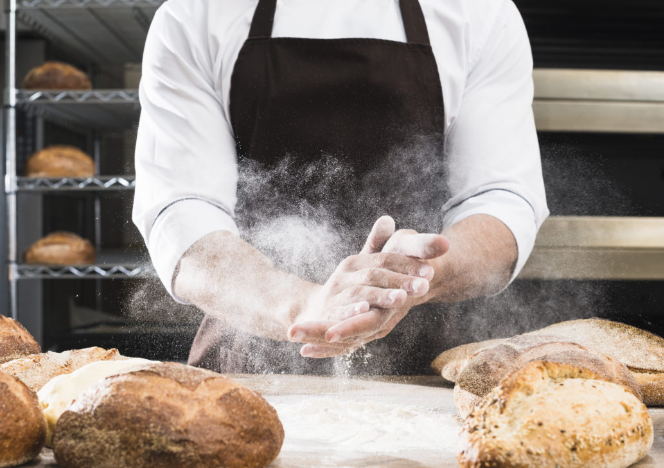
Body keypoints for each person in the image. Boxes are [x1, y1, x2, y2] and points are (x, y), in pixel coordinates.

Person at [133, 0, 549, 375]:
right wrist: (303, 305)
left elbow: (501, 200)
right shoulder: (196, 15)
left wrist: (414, 276)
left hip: (425, 363)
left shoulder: (479, 13)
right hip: (247, 358)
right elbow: (182, 211)